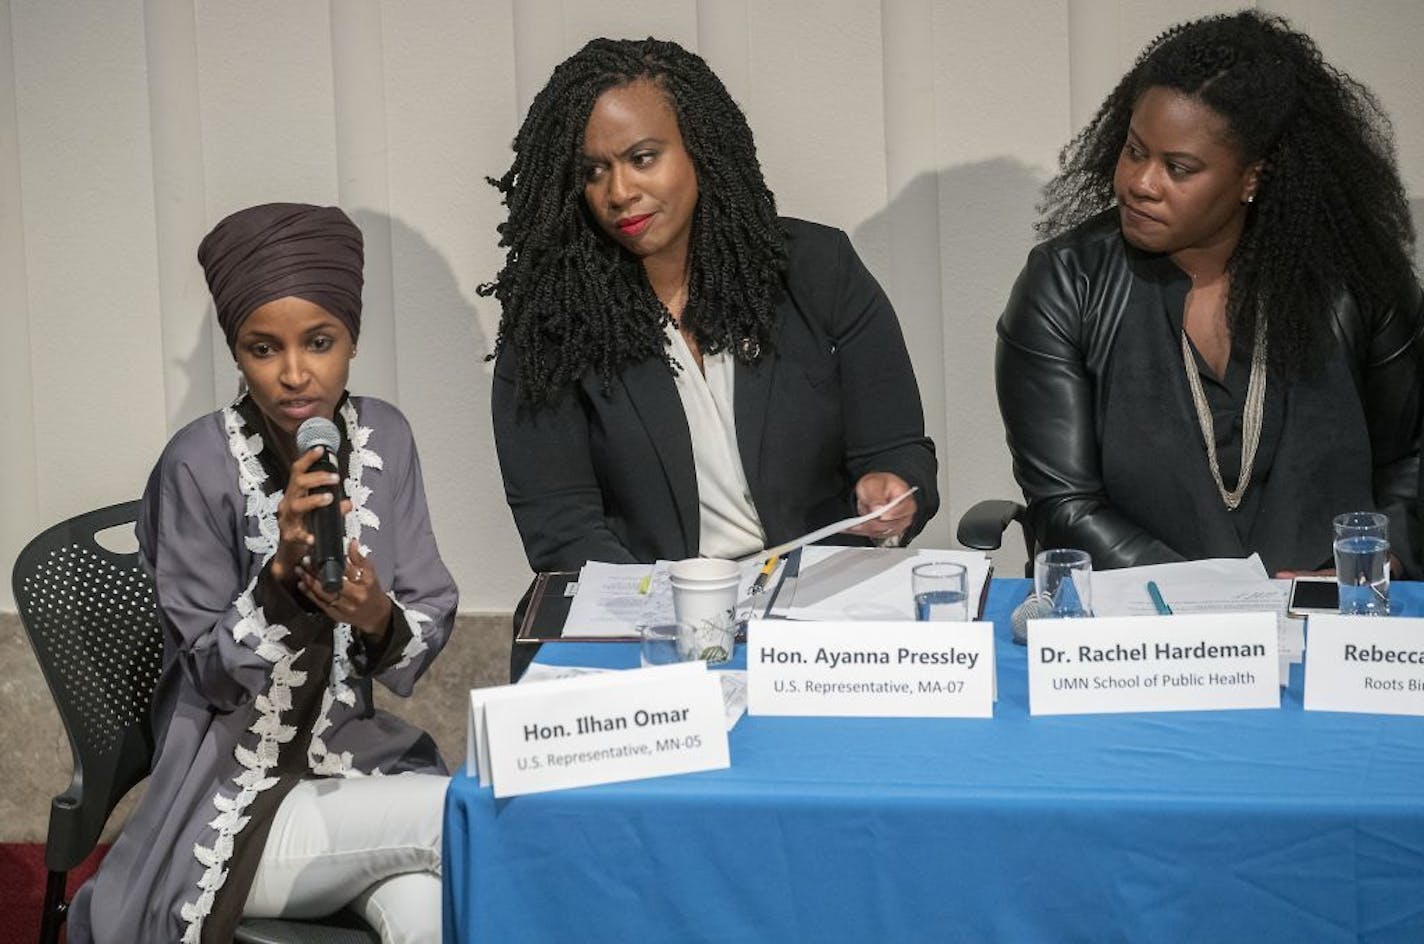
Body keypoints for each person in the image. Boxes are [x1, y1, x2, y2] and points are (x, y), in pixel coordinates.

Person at [483, 38, 938, 671]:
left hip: (816, 617)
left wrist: (891, 490)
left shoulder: (816, 270)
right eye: (592, 171)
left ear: (699, 147)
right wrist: (686, 619)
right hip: (642, 628)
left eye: (643, 157)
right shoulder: (552, 319)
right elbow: (561, 527)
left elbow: (897, 448)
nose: (619, 191)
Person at [69, 203, 456, 944]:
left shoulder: (387, 438)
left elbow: (428, 613)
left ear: (352, 340)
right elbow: (211, 677)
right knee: (460, 818)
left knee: (431, 915)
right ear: (237, 354)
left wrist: (375, 613)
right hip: (232, 810)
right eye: (262, 348)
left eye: (319, 342)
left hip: (358, 779)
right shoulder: (195, 463)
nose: (295, 373)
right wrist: (276, 580)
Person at [996, 11, 1423, 577]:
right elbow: (1065, 505)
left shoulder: (1357, 279)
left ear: (1252, 177)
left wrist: (1374, 564)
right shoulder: (1066, 282)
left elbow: (1410, 460)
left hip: (1330, 613)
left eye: (1178, 167)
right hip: (1145, 623)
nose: (1141, 183)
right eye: (1134, 150)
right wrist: (1210, 601)